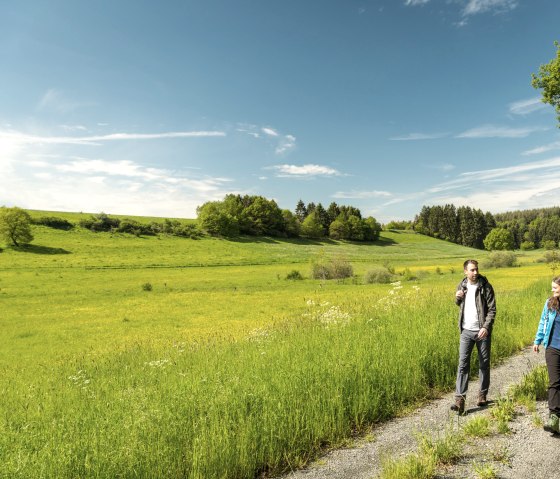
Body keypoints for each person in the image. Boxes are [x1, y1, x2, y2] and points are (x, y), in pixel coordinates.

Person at [451, 259, 496, 415]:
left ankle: (482, 394)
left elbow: (492, 310)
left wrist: (486, 327)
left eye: (476, 269)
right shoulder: (462, 285)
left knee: (484, 364)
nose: (475, 272)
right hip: (466, 331)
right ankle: (460, 400)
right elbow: (459, 303)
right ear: (465, 271)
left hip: (482, 332)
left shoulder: (485, 286)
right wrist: (457, 297)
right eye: (472, 270)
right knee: (463, 365)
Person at [533, 276, 560, 434]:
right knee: (554, 383)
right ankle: (554, 417)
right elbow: (543, 321)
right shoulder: (549, 303)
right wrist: (538, 341)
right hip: (553, 347)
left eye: (555, 288)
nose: (552, 290)